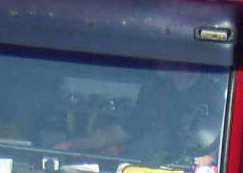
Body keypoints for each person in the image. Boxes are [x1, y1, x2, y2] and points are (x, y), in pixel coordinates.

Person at [55, 65, 226, 166]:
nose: (158, 57)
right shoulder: (155, 90)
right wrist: (71, 145)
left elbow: (209, 156)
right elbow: (122, 131)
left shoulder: (219, 95)